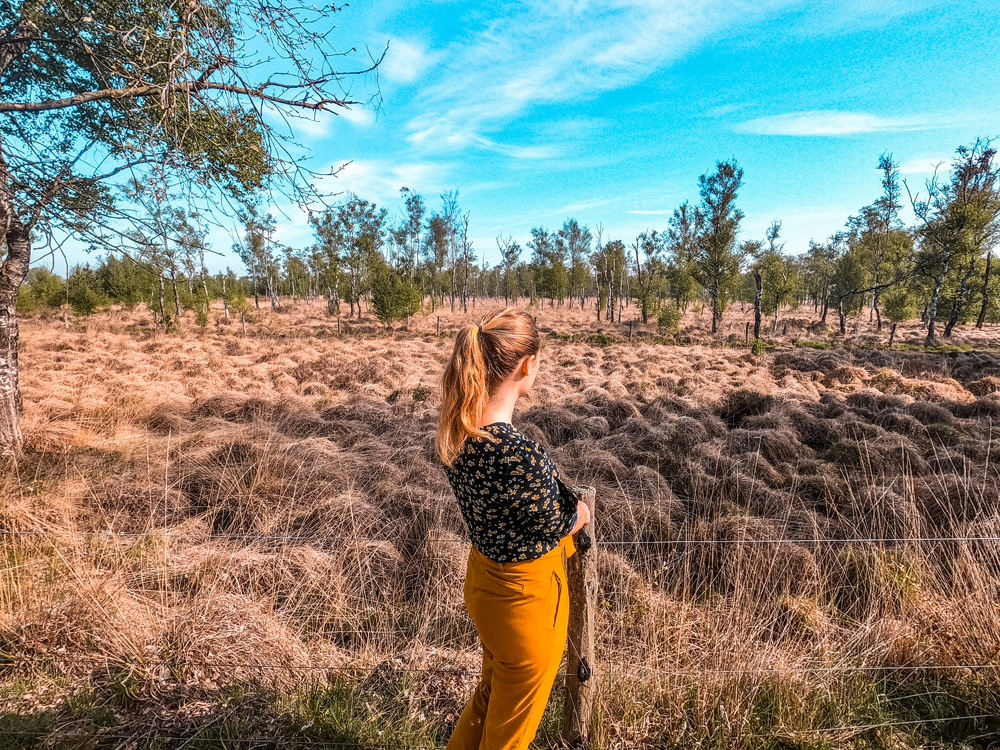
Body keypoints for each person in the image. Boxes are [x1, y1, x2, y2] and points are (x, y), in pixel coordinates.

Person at [435, 305, 592, 750]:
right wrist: (578, 514)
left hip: (485, 583)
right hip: (524, 603)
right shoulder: (516, 453)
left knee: (490, 696)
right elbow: (554, 520)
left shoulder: (461, 434)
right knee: (511, 734)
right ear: (528, 365)